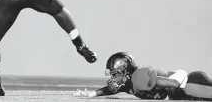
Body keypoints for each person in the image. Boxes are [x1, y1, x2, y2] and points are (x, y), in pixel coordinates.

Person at [74, 52, 212, 101]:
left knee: (182, 90)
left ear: (126, 71)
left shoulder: (139, 77)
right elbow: (108, 90)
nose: (114, 79)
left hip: (189, 82)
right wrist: (90, 94)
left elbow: (174, 84)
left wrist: (175, 88)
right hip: (186, 87)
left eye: (116, 74)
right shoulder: (128, 84)